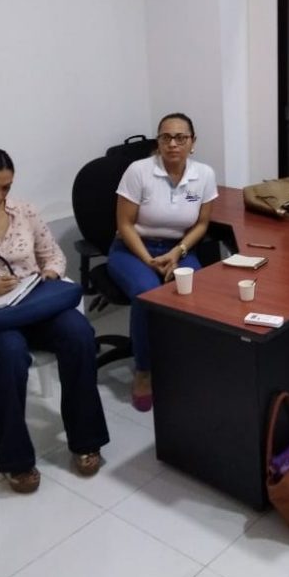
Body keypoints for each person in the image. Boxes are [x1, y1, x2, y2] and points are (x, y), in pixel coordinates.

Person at [0, 147, 109, 494]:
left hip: (30, 307)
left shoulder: (24, 211)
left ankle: (86, 441)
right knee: (10, 353)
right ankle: (16, 461)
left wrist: (50, 274)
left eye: (6, 187)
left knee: (78, 334)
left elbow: (52, 255)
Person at [107, 113, 218, 411]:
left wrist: (178, 252)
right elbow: (124, 224)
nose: (173, 144)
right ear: (158, 142)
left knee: (193, 292)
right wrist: (149, 260)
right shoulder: (139, 171)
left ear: (192, 142)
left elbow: (202, 224)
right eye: (166, 137)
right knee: (148, 295)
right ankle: (144, 370)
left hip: (178, 249)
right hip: (132, 249)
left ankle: (183, 362)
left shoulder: (204, 174)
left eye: (181, 137)